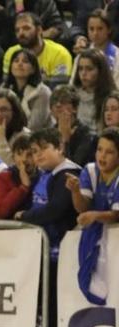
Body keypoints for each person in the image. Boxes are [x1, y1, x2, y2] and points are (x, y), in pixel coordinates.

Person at [66, 127, 119, 305]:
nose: (102, 156)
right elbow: (83, 207)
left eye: (109, 152)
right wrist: (75, 191)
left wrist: (95, 216)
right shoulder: (89, 170)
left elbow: (117, 214)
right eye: (99, 149)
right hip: (97, 238)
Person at [17, 127, 80, 259]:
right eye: (34, 151)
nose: (38, 155)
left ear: (60, 148)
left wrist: (25, 216)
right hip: (42, 246)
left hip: (61, 249)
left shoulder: (68, 174)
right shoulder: (42, 173)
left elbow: (55, 210)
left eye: (44, 148)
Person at [2, 13, 72, 88]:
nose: (21, 33)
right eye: (17, 30)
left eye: (26, 28)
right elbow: (8, 83)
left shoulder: (60, 53)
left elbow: (59, 86)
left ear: (39, 30)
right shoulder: (11, 52)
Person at [1, 48, 52, 131]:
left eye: (25, 61)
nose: (20, 64)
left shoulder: (43, 92)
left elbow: (34, 126)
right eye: (16, 61)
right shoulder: (4, 89)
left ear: (33, 69)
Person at [0, 132, 38, 219]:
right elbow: (2, 211)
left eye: (29, 155)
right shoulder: (3, 177)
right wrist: (23, 188)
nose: (24, 159)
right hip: (8, 230)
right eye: (19, 154)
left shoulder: (43, 177)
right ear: (13, 157)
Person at [71, 49, 116, 130]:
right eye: (80, 69)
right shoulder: (72, 95)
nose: (83, 73)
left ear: (101, 71)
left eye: (89, 69)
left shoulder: (111, 98)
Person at [0, 89, 30, 165]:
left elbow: (12, 166)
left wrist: (2, 140)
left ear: (14, 112)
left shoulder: (24, 135)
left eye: (4, 109)